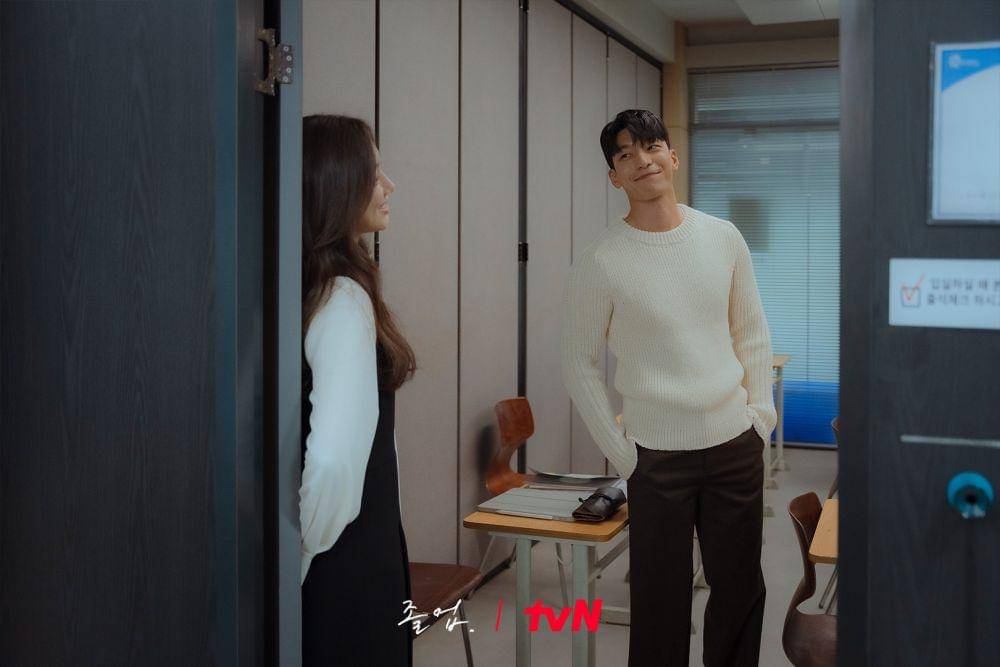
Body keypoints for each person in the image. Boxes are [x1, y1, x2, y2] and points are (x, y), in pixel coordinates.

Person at [561, 109, 776, 666]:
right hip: (655, 458)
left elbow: (751, 333)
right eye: (625, 154)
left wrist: (760, 417)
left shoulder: (723, 238)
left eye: (651, 146)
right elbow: (578, 362)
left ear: (672, 157)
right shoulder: (601, 260)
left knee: (739, 591)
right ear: (614, 177)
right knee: (659, 603)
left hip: (734, 443)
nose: (642, 160)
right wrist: (622, 455)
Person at [299, 114, 417, 666]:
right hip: (346, 562)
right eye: (373, 174)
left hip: (339, 558)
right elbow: (332, 464)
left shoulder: (306, 284)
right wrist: (302, 551)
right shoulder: (343, 298)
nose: (388, 186)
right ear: (335, 184)